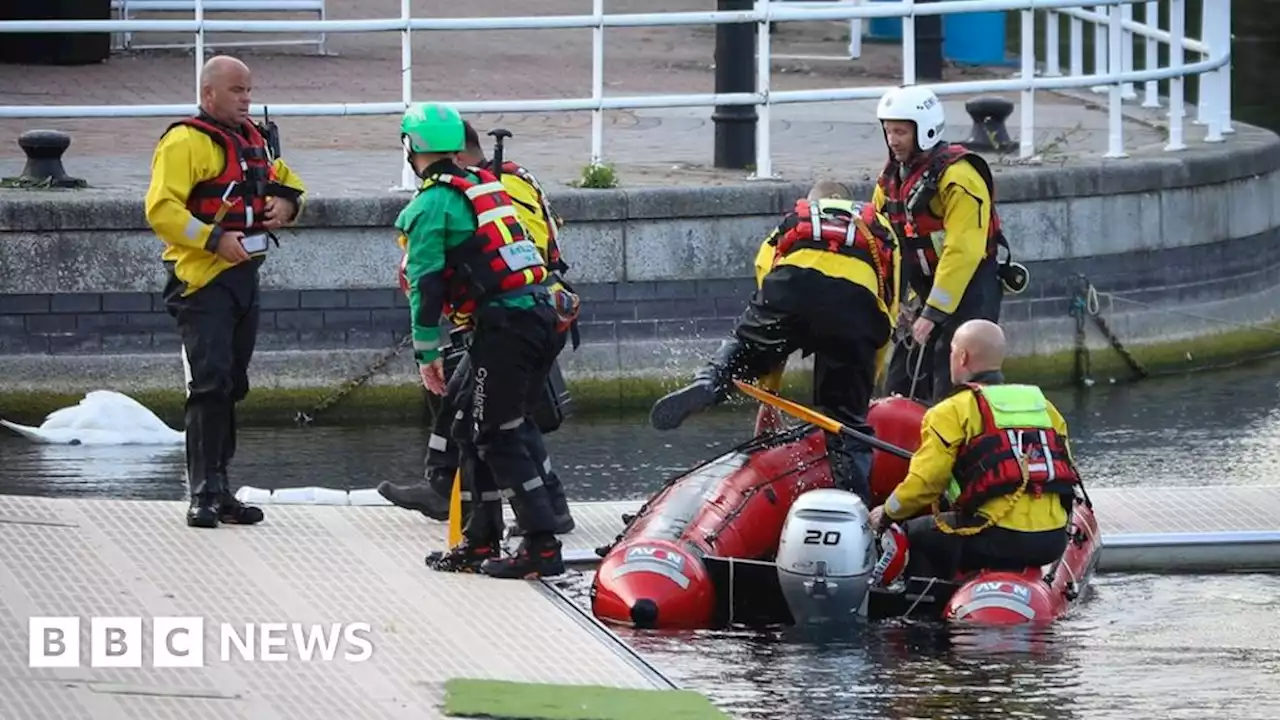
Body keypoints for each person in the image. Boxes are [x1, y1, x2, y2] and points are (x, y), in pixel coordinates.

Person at [395, 101, 572, 578]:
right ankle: (480, 539)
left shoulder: (431, 205)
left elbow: (427, 284)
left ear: (411, 149)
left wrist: (426, 352)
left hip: (505, 327)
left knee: (498, 432)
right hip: (536, 315)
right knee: (466, 427)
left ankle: (541, 545)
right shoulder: (485, 185)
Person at [649, 180, 901, 506]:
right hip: (855, 307)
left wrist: (769, 391)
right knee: (846, 424)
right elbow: (888, 310)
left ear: (813, 202)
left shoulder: (795, 219)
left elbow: (764, 281)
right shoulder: (879, 228)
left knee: (744, 346)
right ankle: (853, 509)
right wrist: (865, 383)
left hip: (790, 289)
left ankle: (710, 381)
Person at [145, 55, 306, 529]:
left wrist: (289, 204)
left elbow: (288, 180)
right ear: (209, 94)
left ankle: (221, 487)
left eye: (249, 90)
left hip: (244, 277)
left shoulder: (253, 139)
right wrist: (214, 238)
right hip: (201, 280)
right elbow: (161, 209)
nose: (246, 99)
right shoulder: (185, 141)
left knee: (232, 384)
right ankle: (201, 493)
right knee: (209, 382)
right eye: (237, 91)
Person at [868, 319, 1082, 583]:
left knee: (915, 534)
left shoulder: (950, 411)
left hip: (998, 536)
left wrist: (888, 512)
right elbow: (1065, 467)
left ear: (962, 357)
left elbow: (926, 483)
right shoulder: (1044, 407)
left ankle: (925, 613)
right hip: (1052, 540)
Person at [871, 85, 1028, 403]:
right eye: (888, 131)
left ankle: (962, 440)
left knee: (954, 377)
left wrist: (932, 314)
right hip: (924, 288)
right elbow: (879, 236)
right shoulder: (892, 178)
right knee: (900, 381)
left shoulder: (959, 177)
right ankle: (903, 442)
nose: (893, 140)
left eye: (900, 132)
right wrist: (895, 303)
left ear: (924, 129)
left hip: (970, 287)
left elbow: (962, 251)